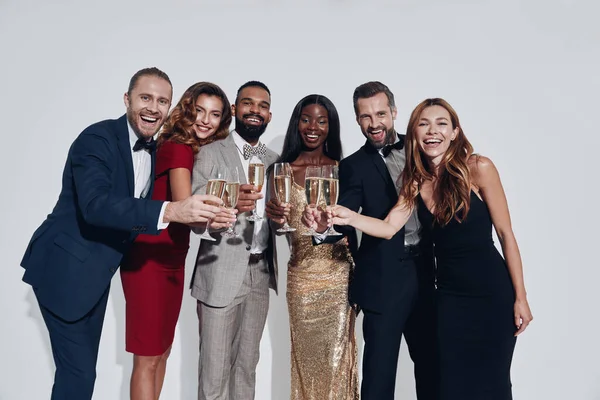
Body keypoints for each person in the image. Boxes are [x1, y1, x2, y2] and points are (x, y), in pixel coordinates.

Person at [19, 67, 224, 400]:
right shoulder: (96, 138)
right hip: (64, 267)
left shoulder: (155, 147)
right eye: (145, 97)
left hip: (96, 272)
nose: (153, 108)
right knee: (79, 375)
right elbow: (96, 205)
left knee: (80, 373)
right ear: (127, 99)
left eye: (162, 101)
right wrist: (171, 211)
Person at [328, 98, 534, 400]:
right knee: (450, 387)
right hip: (448, 298)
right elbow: (388, 227)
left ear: (454, 132)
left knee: (493, 384)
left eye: (441, 124)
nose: (432, 131)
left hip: (492, 295)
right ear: (414, 133)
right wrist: (349, 216)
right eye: (423, 124)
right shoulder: (416, 181)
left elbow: (506, 235)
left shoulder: (479, 168)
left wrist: (521, 298)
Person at [303, 82, 439, 400]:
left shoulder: (423, 147)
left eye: (380, 113)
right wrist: (325, 226)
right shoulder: (353, 166)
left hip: (430, 275)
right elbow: (345, 216)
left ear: (393, 112)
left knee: (435, 370)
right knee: (378, 378)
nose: (374, 123)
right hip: (383, 281)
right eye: (365, 116)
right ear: (357, 119)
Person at [120, 82, 235, 400]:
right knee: (147, 357)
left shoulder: (192, 150)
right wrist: (223, 214)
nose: (205, 120)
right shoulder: (178, 147)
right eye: (199, 110)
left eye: (214, 114)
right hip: (149, 259)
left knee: (161, 352)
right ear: (187, 109)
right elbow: (186, 207)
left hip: (172, 259)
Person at [265, 94, 359, 400]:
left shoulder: (345, 169)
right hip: (302, 277)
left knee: (337, 361)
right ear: (297, 123)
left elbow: (352, 226)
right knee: (305, 363)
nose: (313, 127)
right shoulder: (281, 170)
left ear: (331, 125)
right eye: (306, 119)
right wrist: (276, 220)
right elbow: (280, 228)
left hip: (339, 276)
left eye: (321, 120)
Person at [190, 81, 279, 400]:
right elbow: (194, 208)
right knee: (214, 373)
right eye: (248, 103)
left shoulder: (274, 160)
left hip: (260, 273)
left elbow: (277, 219)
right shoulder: (210, 152)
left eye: (262, 105)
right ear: (234, 110)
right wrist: (229, 203)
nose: (255, 110)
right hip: (220, 271)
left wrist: (282, 219)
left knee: (246, 367)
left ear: (269, 115)